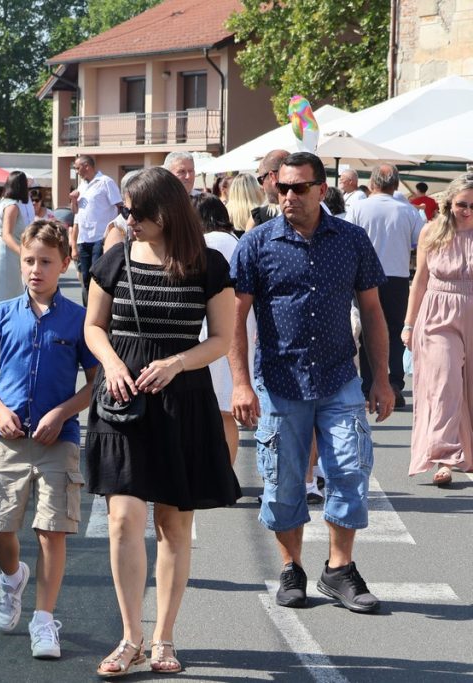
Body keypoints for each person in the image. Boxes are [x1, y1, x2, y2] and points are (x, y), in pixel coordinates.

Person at [85, 167, 240, 677]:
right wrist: (110, 364)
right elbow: (93, 327)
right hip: (122, 397)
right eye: (123, 211)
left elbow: (221, 339)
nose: (125, 219)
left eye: (133, 211)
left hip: (183, 400)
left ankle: (163, 639)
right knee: (122, 518)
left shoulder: (209, 265)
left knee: (173, 523)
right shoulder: (113, 260)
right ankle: (129, 638)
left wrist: (176, 363)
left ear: (164, 212)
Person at [229, 151, 393, 615]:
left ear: (322, 190)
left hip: (341, 377)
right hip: (280, 382)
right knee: (283, 481)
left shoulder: (352, 240)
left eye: (299, 188)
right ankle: (292, 568)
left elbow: (375, 312)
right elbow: (235, 319)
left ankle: (339, 569)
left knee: (350, 472)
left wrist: (381, 379)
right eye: (282, 188)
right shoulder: (257, 244)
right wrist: (240, 384)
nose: (288, 196)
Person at [0, 219, 99, 660]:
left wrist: (63, 413)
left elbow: (95, 383)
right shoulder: (2, 314)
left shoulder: (80, 320)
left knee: (51, 529)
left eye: (46, 261)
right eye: (28, 261)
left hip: (58, 440)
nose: (36, 270)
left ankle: (43, 620)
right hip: (6, 438)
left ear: (64, 263)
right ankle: (11, 577)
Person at [403, 173, 473, 486]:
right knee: (445, 385)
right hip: (438, 314)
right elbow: (418, 281)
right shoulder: (432, 231)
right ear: (449, 203)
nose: (468, 210)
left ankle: (465, 454)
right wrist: (408, 323)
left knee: (468, 389)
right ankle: (444, 456)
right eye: (462, 204)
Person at [346, 164, 424, 408]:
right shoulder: (408, 211)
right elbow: (419, 242)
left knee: (369, 330)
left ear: (372, 183)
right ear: (396, 184)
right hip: (397, 276)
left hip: (364, 277)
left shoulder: (358, 208)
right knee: (395, 330)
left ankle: (369, 382)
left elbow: (346, 240)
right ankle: (394, 381)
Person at [193, 195, 255, 465]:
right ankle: (226, 471)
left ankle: (214, 471)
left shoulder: (208, 244)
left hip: (211, 331)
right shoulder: (235, 241)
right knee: (225, 411)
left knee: (212, 409)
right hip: (239, 328)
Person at [70, 155, 122, 303]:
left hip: (100, 236)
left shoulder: (105, 182)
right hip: (84, 238)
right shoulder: (82, 185)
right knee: (85, 276)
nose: (76, 171)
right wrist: (73, 200)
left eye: (77, 167)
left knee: (98, 275)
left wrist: (115, 232)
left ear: (87, 166)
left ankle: (101, 309)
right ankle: (87, 310)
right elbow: (76, 213)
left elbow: (119, 206)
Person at [0, 171, 33, 308]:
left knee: (1, 295)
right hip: (7, 254)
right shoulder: (12, 206)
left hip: (0, 252)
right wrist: (23, 253)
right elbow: (6, 235)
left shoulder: (0, 204)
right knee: (9, 297)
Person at [248, 149, 290, 229]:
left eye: (260, 180)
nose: (261, 186)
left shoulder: (260, 217)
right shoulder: (313, 209)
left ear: (272, 176)